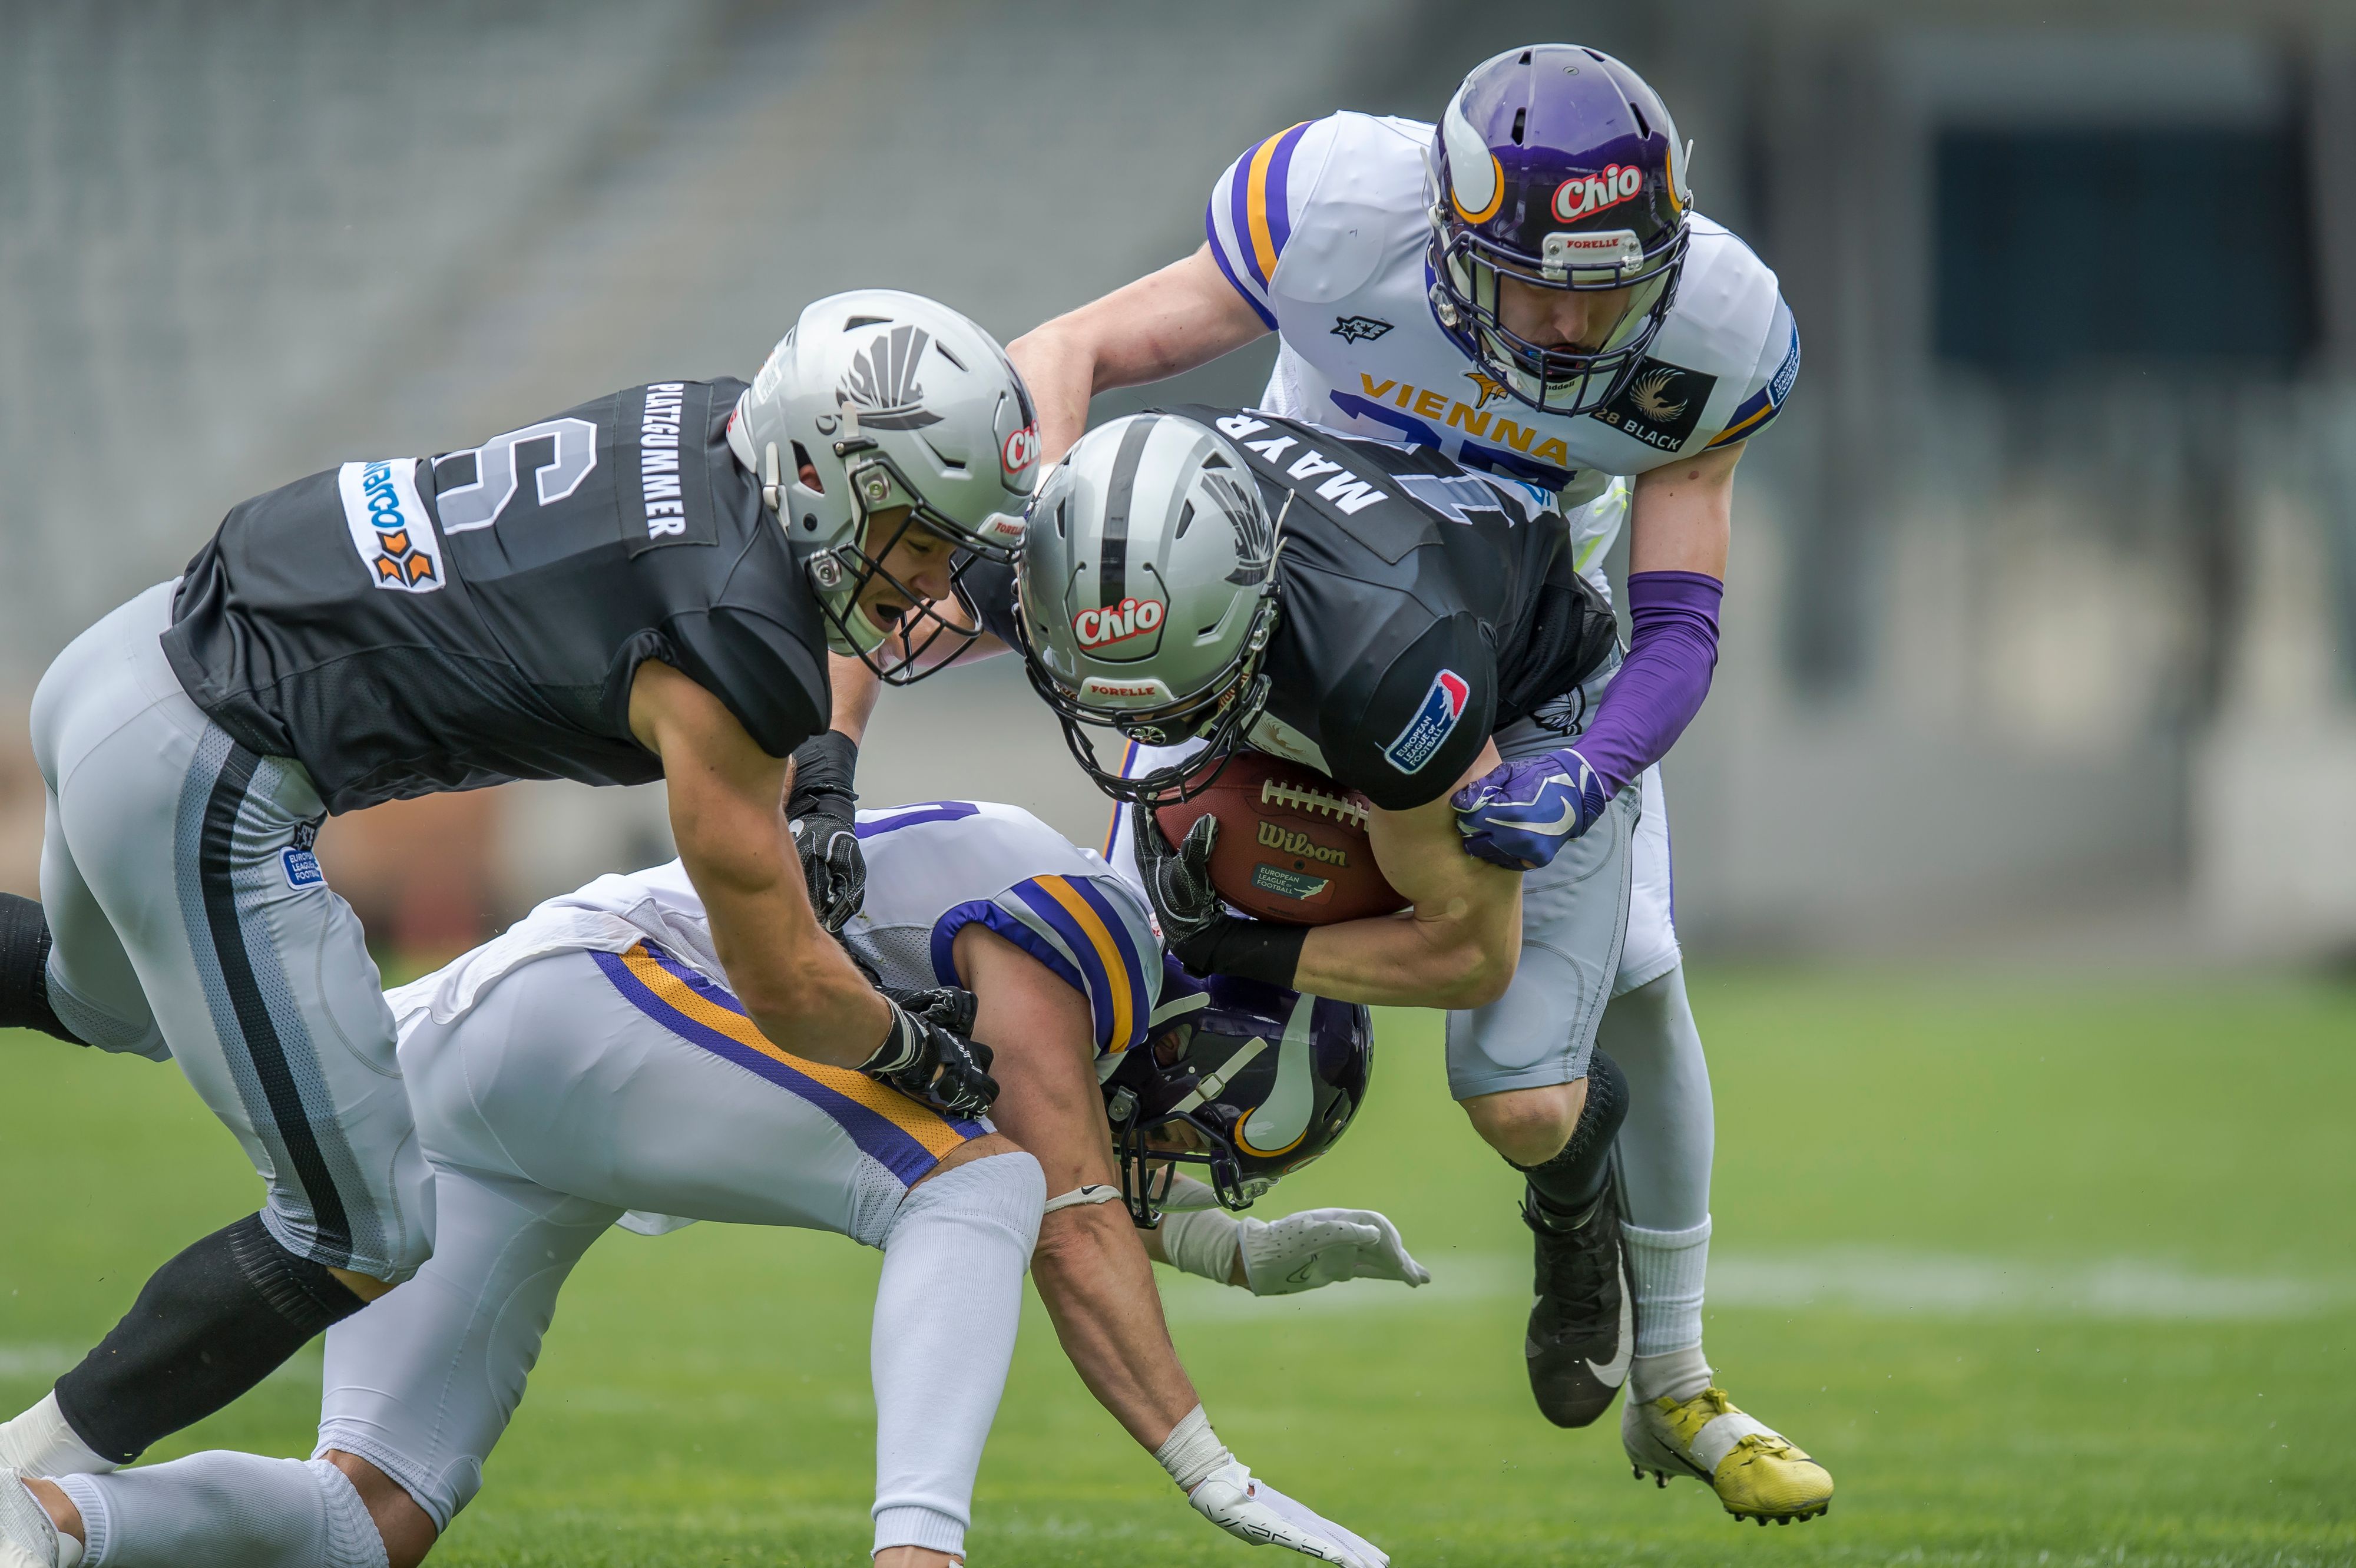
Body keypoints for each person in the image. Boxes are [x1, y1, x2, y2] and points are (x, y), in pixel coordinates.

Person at [0, 292, 1022, 1492]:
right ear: (818, 479)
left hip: (124, 656)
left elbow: (707, 587)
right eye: (916, 534)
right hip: (207, 771)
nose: (932, 572)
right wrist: (907, 1043)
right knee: (361, 1226)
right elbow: (786, 984)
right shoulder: (731, 636)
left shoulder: (708, 424)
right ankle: (29, 1471)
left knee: (100, 1000)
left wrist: (814, 780)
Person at [994, 43, 1822, 1521]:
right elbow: (1075, 348)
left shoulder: (1712, 328)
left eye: (1605, 288)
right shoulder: (1332, 206)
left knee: (1596, 997)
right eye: (1534, 281)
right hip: (1259, 624)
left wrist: (1585, 767)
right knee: (1125, 1004)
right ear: (1441, 237)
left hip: (1505, 660)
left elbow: (1683, 621)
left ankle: (1674, 1369)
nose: (1572, 326)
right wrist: (1054, 533)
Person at [0, 797, 1408, 1568]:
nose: (1178, 1171)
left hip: (518, 1073)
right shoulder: (1088, 924)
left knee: (363, 1515)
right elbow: (1061, 1198)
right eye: (1195, 1136)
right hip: (583, 1001)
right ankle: (919, 1555)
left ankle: (50, 1520)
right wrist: (1202, 1461)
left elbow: (1090, 1174)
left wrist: (1227, 1254)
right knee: (970, 1186)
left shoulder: (1075, 940)